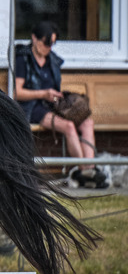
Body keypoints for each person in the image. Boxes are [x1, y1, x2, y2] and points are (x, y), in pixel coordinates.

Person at [15, 20, 107, 189]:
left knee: (87, 123)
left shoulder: (53, 61)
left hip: (54, 105)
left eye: (53, 44)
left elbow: (55, 88)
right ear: (34, 38)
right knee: (69, 127)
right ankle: (86, 172)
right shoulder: (23, 59)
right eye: (46, 43)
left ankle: (89, 169)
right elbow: (17, 92)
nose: (49, 47)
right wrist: (44, 94)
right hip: (32, 107)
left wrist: (58, 96)